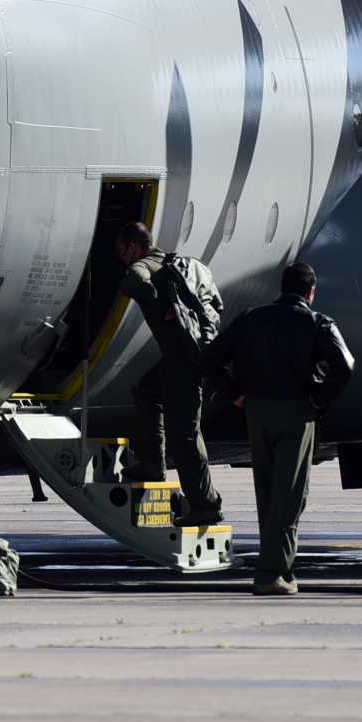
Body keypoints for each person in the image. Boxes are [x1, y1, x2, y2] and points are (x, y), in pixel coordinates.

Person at [208, 261, 355, 595]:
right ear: (311, 292)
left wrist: (234, 393)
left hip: (257, 412)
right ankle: (273, 572)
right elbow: (344, 366)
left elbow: (211, 358)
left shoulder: (251, 318)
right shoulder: (317, 323)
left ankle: (274, 565)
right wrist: (318, 399)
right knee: (289, 496)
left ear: (282, 287)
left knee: (268, 491)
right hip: (296, 412)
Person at [112, 222, 225, 526]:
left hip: (182, 360)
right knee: (147, 391)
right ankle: (150, 463)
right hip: (188, 354)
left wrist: (154, 301)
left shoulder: (143, 265)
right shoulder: (178, 262)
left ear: (133, 248)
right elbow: (216, 302)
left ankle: (205, 504)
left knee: (185, 435)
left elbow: (134, 282)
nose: (121, 259)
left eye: (121, 252)